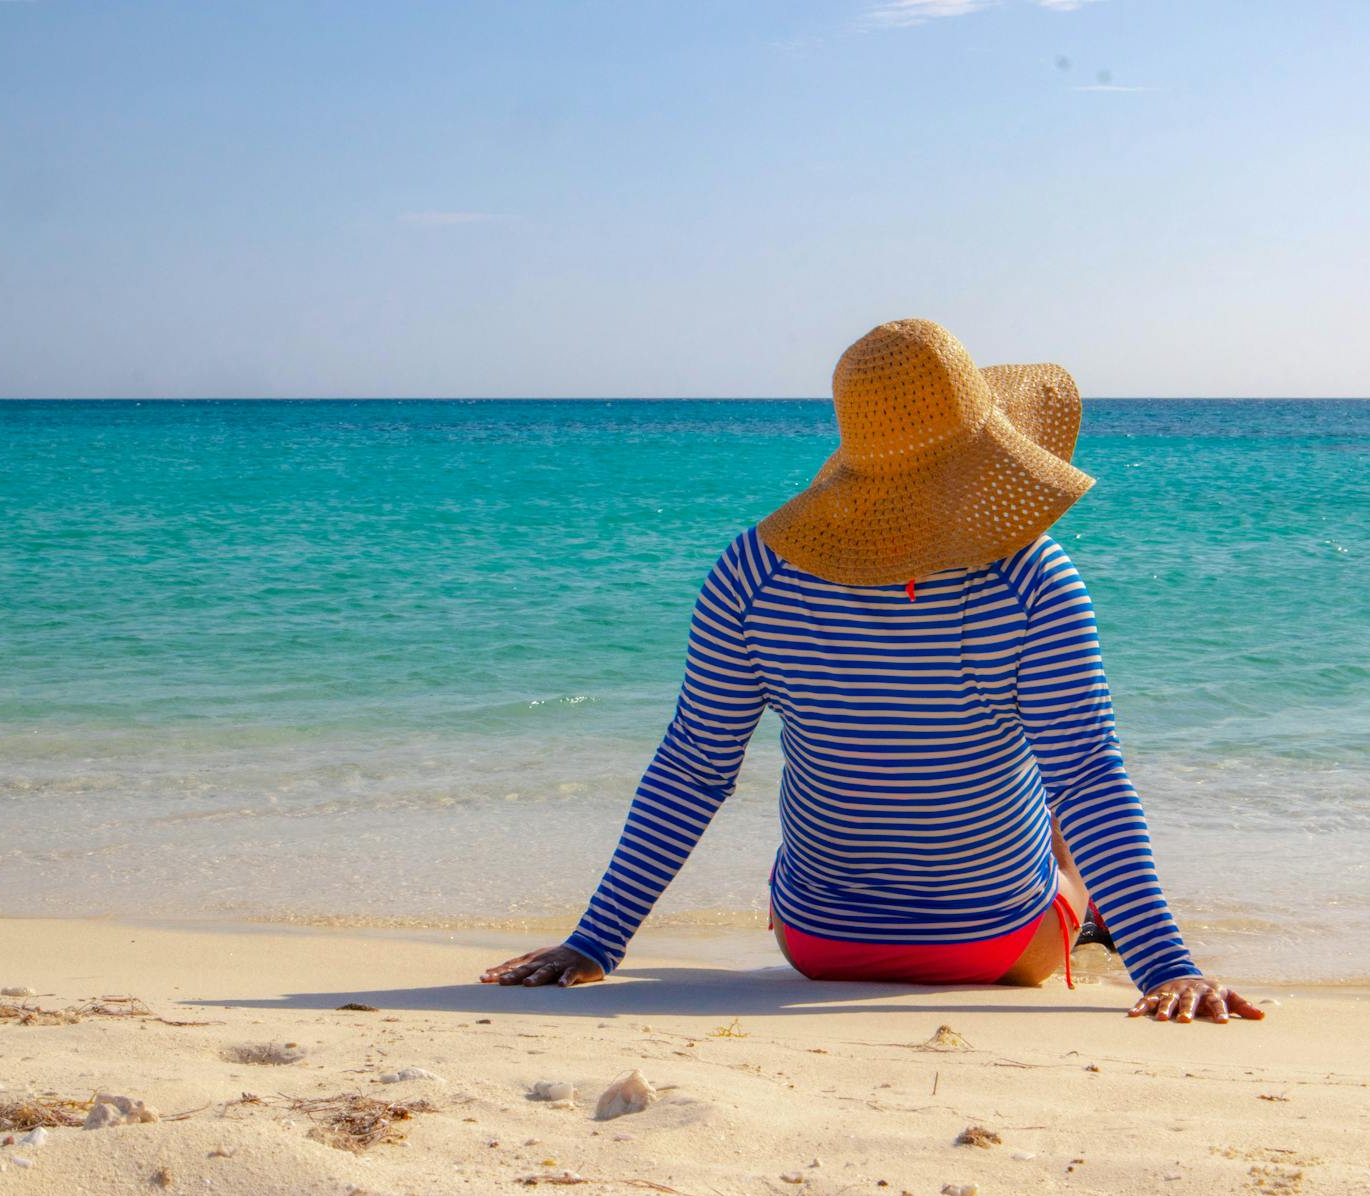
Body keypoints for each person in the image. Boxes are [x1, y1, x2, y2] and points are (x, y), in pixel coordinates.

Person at [482, 319, 1263, 1024]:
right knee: (1061, 785)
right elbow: (1090, 777)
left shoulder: (752, 572)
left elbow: (692, 769)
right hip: (997, 943)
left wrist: (595, 942)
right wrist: (1169, 966)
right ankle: (1100, 924)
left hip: (818, 943)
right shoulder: (1033, 581)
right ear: (992, 452)